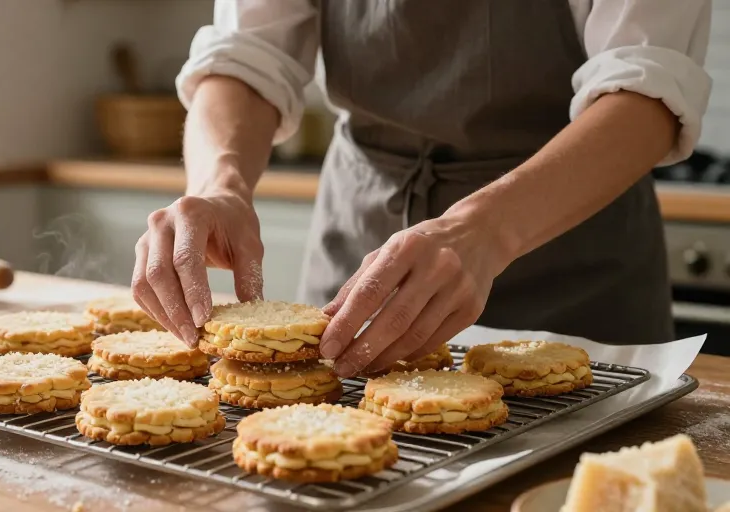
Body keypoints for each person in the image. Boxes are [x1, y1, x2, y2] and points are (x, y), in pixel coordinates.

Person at [131, 0, 713, 378]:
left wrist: (484, 229)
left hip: (572, 263)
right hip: (361, 252)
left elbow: (647, 90)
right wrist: (220, 184)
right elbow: (247, 56)